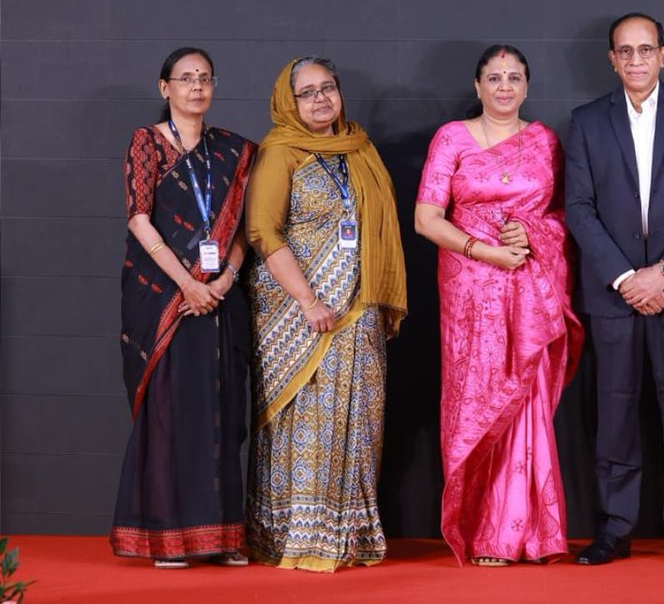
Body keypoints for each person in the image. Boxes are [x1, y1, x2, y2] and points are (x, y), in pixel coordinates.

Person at [566, 12, 664, 567]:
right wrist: (625, 277)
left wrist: (663, 272)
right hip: (612, 293)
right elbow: (579, 210)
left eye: (645, 49)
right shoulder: (587, 122)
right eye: (625, 51)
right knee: (614, 410)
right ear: (612, 59)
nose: (635, 60)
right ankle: (614, 527)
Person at [414, 44, 584, 567]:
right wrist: (486, 249)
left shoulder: (545, 142)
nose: (504, 86)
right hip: (469, 289)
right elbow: (426, 218)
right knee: (477, 399)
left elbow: (564, 216)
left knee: (525, 399)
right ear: (478, 86)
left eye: (514, 77)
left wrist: (532, 232)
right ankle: (483, 530)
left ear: (527, 86)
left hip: (529, 290)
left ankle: (525, 534)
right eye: (494, 77)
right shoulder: (452, 138)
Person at [244, 57, 407, 572]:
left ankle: (348, 534)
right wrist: (309, 301)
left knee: (359, 419)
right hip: (296, 310)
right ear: (288, 102)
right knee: (304, 419)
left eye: (328, 88)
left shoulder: (359, 148)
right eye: (307, 92)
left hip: (357, 309)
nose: (320, 99)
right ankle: (293, 536)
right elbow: (263, 233)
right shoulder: (279, 151)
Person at [110, 47, 256, 569]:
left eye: (205, 78)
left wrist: (224, 279)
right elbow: (139, 218)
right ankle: (170, 537)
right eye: (185, 79)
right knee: (173, 412)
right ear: (164, 88)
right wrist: (187, 284)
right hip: (165, 297)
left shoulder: (235, 152)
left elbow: (243, 230)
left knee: (221, 411)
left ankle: (220, 537)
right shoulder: (146, 144)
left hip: (220, 298)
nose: (197, 87)